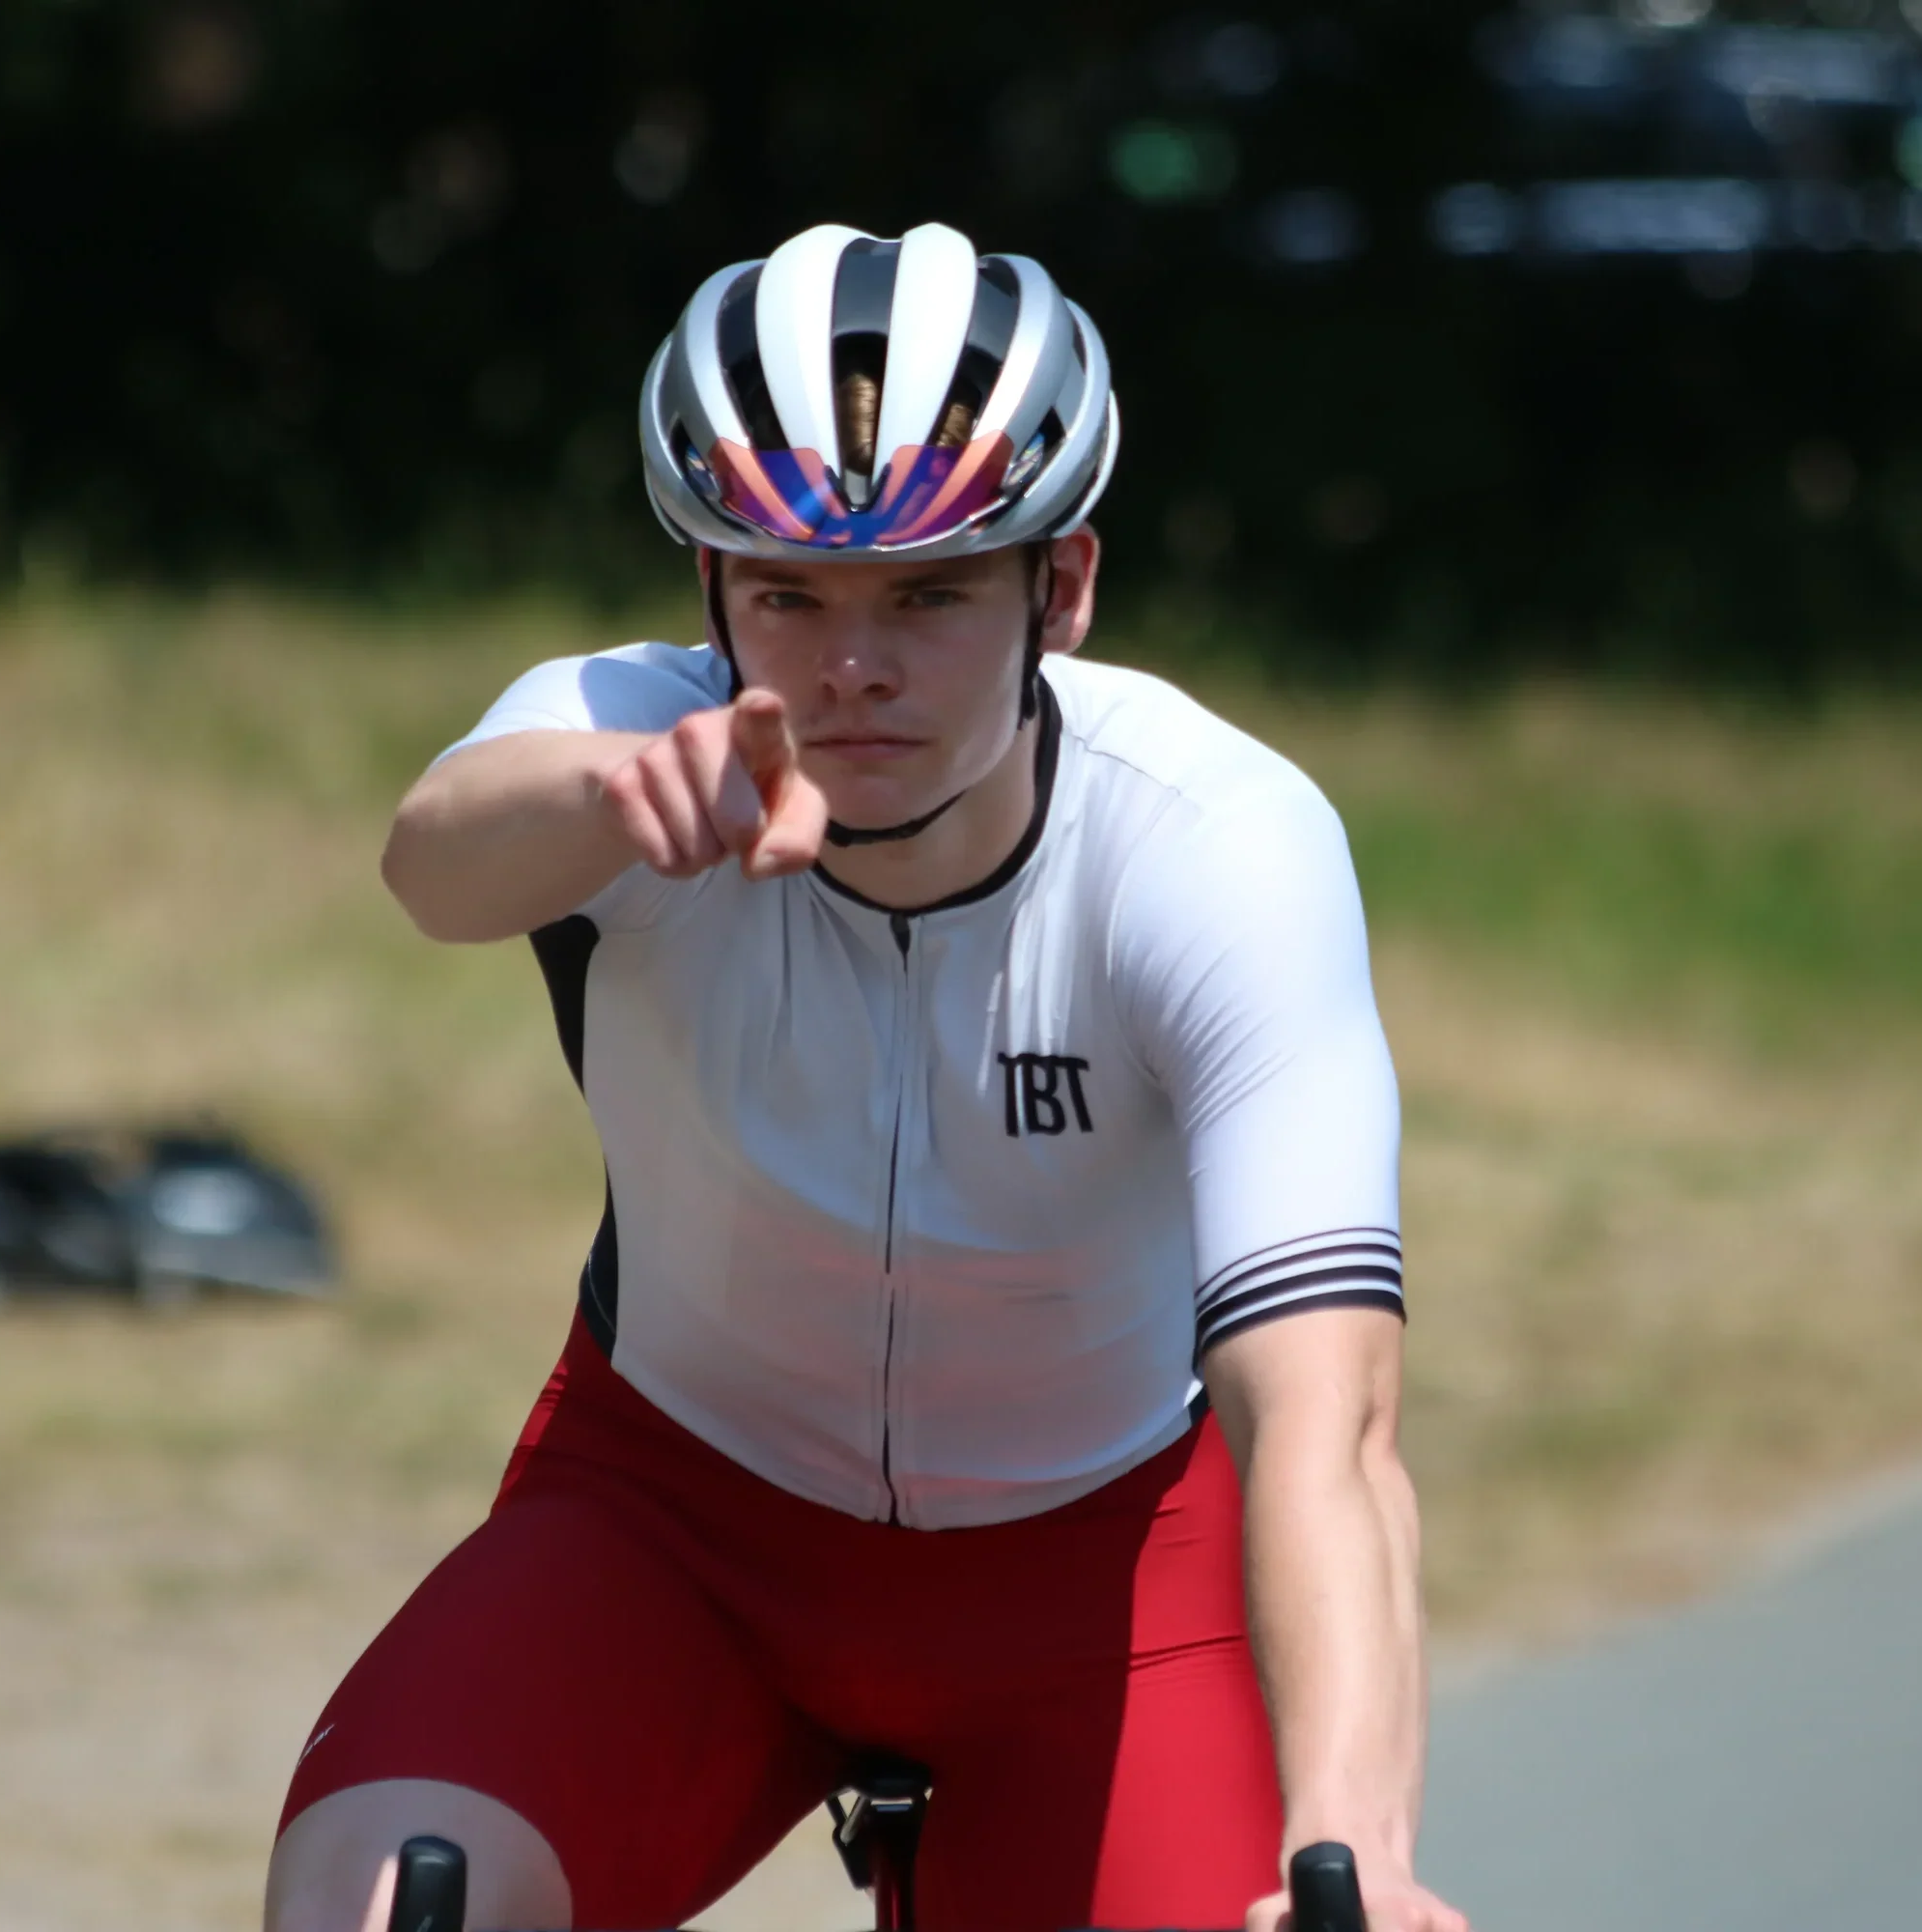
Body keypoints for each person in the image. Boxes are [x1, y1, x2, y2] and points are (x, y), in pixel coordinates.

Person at [266, 221, 1470, 1932]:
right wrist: (608, 804)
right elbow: (428, 868)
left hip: (1114, 1570)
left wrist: (1353, 1848)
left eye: (930, 594)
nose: (850, 668)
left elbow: (1328, 1425)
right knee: (376, 1909)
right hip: (679, 1527)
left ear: (1061, 588)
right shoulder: (622, 746)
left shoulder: (1219, 848)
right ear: (709, 594)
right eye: (788, 597)